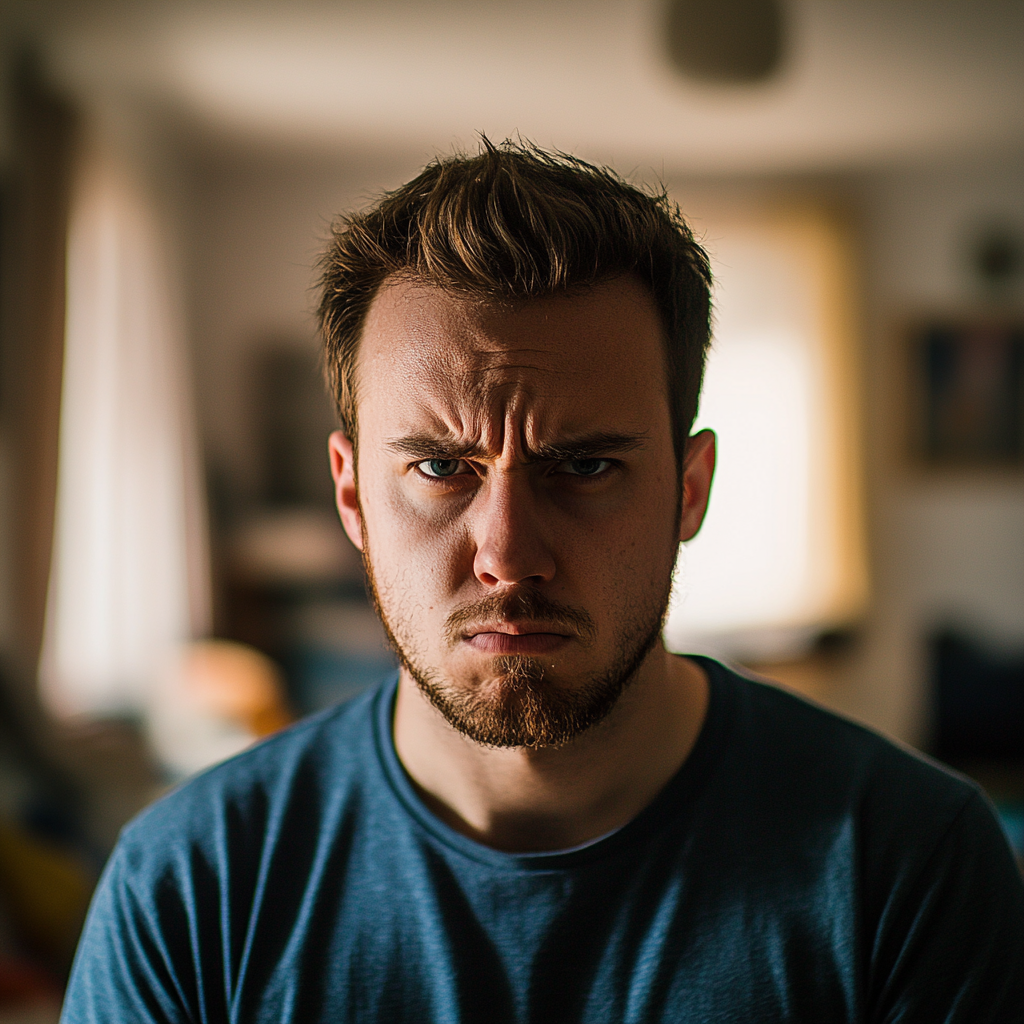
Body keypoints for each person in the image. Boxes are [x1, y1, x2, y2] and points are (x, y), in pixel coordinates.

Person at [62, 141, 1023, 1023]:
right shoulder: (189, 887)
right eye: (440, 469)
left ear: (689, 491)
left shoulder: (909, 863)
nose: (510, 554)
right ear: (351, 497)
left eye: (587, 467)